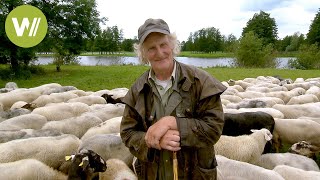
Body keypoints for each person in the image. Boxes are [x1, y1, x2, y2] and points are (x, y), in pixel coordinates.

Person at [120, 18, 227, 180]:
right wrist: (151, 140)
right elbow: (127, 133)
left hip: (195, 175)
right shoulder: (137, 90)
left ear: (172, 45)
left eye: (163, 45)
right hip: (153, 174)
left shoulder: (201, 82)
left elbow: (213, 128)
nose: (159, 52)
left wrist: (173, 123)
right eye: (151, 48)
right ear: (143, 53)